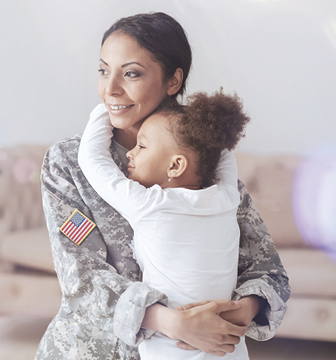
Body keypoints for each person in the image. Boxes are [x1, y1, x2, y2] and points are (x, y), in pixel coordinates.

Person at [36, 12, 290, 360]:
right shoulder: (67, 161)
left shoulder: (203, 161)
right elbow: (81, 279)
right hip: (92, 350)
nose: (110, 89)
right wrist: (172, 322)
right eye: (103, 70)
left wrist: (239, 313)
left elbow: (267, 270)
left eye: (131, 73)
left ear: (173, 80)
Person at [78, 91, 250, 359]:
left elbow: (92, 161)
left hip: (172, 346)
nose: (130, 154)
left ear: (176, 165)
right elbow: (223, 152)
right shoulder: (227, 197)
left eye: (142, 146)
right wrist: (200, 121)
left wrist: (108, 108)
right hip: (226, 347)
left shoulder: (151, 205)